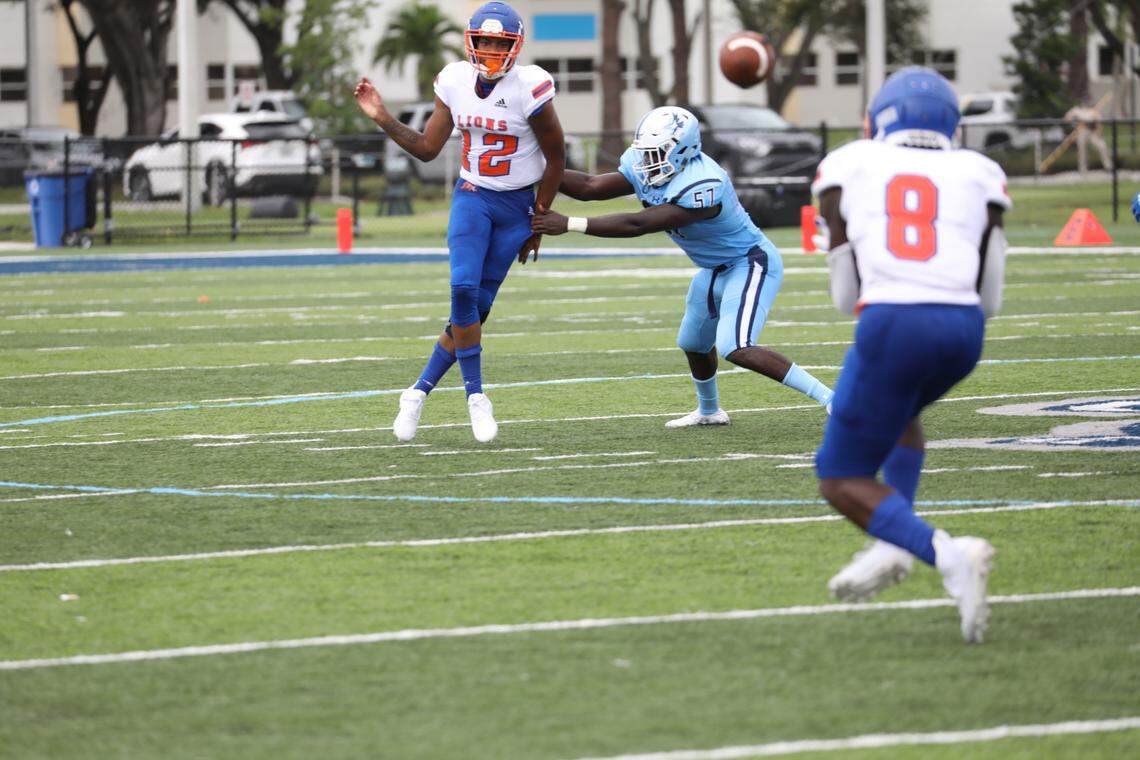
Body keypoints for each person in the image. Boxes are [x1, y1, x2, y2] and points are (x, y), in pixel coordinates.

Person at [811, 66, 1011, 643]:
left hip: (894, 321)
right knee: (903, 415)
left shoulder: (848, 163)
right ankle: (888, 542)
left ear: (879, 119)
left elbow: (847, 295)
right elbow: (989, 295)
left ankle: (946, 554)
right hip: (963, 332)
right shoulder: (981, 172)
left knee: (840, 475)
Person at [530, 106, 833, 427]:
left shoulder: (704, 184)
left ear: (683, 151)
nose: (647, 161)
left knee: (737, 346)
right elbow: (591, 186)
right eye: (645, 152)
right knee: (693, 343)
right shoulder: (649, 164)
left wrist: (569, 223)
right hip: (715, 267)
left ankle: (833, 399)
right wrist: (537, 169)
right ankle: (709, 411)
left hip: (749, 262)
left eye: (656, 153)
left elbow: (638, 223)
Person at [354, 1, 565, 443]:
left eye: (499, 43)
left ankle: (416, 392)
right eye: (483, 41)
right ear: (471, 43)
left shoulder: (532, 85)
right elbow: (429, 148)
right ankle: (476, 396)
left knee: (475, 310)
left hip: (515, 209)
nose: (490, 51)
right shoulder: (453, 79)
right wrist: (382, 117)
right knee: (463, 289)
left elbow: (556, 156)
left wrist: (538, 221)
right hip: (473, 197)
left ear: (515, 46)